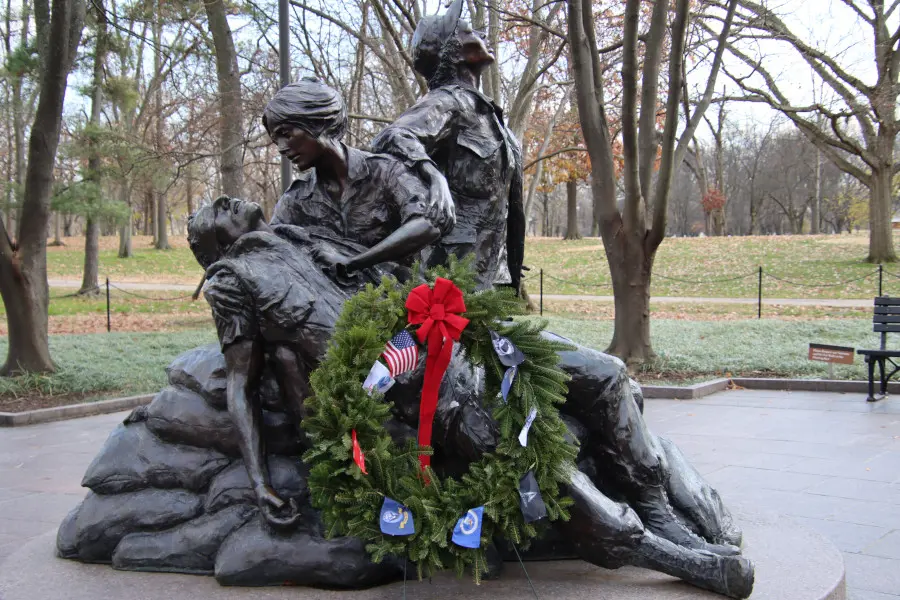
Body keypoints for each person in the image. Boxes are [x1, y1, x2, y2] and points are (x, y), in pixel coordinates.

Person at [369, 1, 750, 593]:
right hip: (449, 312)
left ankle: (656, 508)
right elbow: (393, 141)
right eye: (465, 28)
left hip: (497, 306)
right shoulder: (444, 104)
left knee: (609, 374)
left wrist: (515, 283)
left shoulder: (490, 116)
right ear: (451, 52)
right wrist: (432, 184)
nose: (477, 34)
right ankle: (646, 536)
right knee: (507, 426)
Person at [188, 79, 453, 528]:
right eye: (275, 136)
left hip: (407, 313)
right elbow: (272, 263)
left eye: (288, 132)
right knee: (285, 351)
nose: (281, 146)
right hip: (337, 326)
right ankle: (341, 469)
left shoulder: (384, 172)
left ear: (319, 122)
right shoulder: (293, 204)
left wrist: (358, 259)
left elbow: (429, 222)